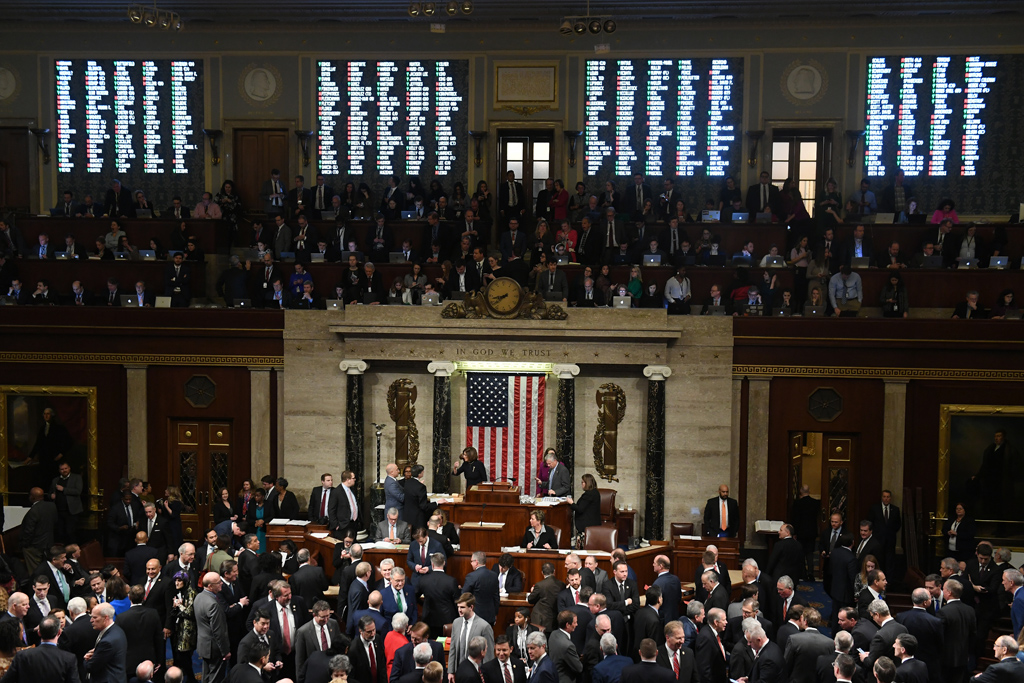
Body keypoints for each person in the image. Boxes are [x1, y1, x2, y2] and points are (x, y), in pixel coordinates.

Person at [166, 570, 197, 681]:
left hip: (188, 630)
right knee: (182, 657)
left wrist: (179, 606)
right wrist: (175, 607)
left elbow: (190, 613)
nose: (176, 583)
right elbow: (173, 613)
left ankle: (191, 679)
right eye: (176, 581)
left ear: (185, 581)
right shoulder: (180, 592)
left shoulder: (191, 593)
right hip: (179, 628)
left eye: (179, 580)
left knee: (184, 656)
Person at [85, 602, 128, 683]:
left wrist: (86, 659)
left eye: (95, 617)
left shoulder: (107, 642)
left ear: (105, 618)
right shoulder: (118, 630)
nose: (91, 620)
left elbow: (90, 667)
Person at [566, 475, 601, 543]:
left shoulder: (588, 495)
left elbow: (580, 509)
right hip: (593, 521)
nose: (581, 484)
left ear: (587, 483)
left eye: (582, 482)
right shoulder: (595, 492)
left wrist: (572, 503)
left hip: (587, 524)